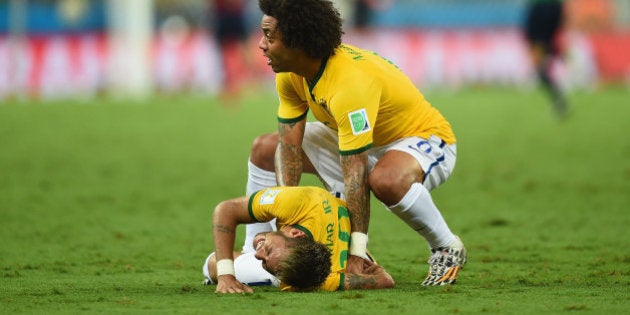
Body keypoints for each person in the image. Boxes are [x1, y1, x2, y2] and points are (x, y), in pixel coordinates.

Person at [242, 0, 467, 287]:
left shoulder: (349, 84)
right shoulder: (290, 73)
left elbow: (356, 172)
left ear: (297, 41)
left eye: (269, 36)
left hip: (421, 138)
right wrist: (288, 221)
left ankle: (446, 246)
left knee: (384, 179)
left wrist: (357, 251)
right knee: (265, 148)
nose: (261, 44)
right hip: (354, 140)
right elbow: (289, 148)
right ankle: (252, 249)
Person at [206, 185, 395, 293]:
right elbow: (226, 209)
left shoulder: (319, 277)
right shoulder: (297, 202)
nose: (258, 254)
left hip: (334, 250)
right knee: (263, 150)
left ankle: (257, 263)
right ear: (295, 232)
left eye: (265, 262)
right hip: (346, 248)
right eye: (268, 251)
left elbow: (384, 281)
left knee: (212, 263)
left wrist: (223, 273)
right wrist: (226, 275)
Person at [523, 0, 569, 118]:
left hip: (539, 8)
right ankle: (557, 58)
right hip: (554, 7)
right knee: (549, 49)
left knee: (539, 67)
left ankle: (558, 98)